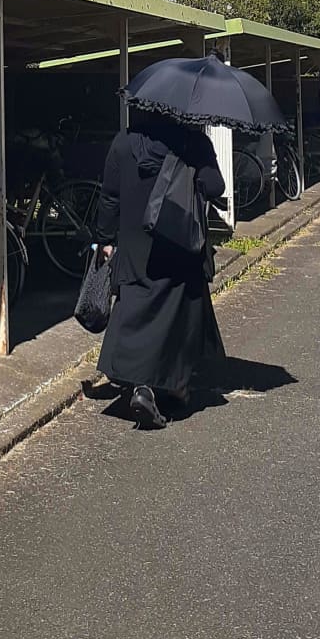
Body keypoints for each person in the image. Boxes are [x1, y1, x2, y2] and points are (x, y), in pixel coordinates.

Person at [96, 107, 227, 429]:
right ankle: (171, 384)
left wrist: (104, 238)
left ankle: (139, 384)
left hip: (133, 245)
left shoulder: (124, 141)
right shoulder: (193, 143)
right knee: (178, 314)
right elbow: (215, 186)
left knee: (134, 309)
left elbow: (110, 195)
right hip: (178, 242)